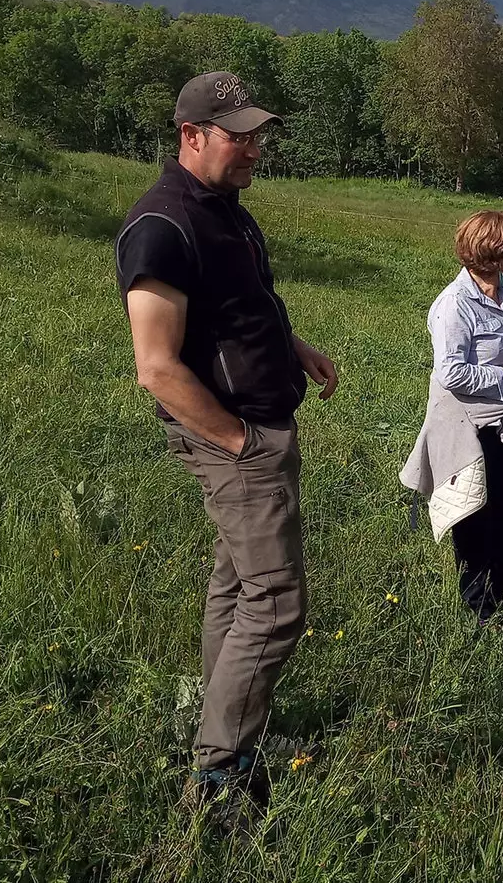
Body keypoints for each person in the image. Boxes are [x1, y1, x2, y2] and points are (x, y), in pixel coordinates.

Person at [114, 70, 338, 824]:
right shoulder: (163, 226)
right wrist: (237, 441)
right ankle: (220, 775)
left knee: (238, 584)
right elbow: (156, 366)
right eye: (240, 136)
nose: (255, 150)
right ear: (191, 135)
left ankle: (220, 715)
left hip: (260, 414)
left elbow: (240, 308)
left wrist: (294, 345)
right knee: (276, 603)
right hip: (236, 434)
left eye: (258, 135)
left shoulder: (225, 212)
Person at [401, 211, 503, 621]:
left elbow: (502, 351)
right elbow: (451, 373)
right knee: (473, 517)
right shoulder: (453, 306)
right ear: (499, 255)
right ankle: (481, 611)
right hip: (470, 430)